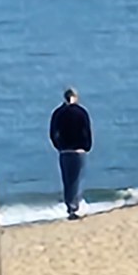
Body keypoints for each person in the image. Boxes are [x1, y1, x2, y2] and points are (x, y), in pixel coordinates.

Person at [49, 87, 93, 219]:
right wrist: (87, 146)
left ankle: (70, 207)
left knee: (67, 180)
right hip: (78, 150)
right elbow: (87, 131)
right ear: (76, 97)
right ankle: (75, 207)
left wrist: (58, 146)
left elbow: (53, 133)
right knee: (77, 179)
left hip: (64, 150)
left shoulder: (58, 113)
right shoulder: (81, 112)